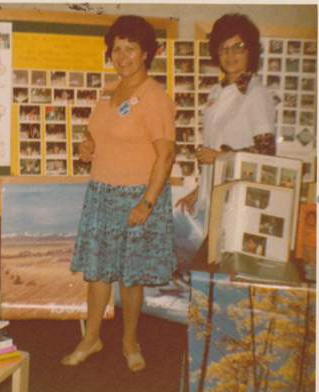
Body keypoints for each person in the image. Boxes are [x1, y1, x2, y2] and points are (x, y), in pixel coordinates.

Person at [61, 15, 177, 372]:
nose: (123, 55)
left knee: (130, 275)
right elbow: (99, 131)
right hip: (101, 193)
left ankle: (129, 341)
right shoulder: (110, 90)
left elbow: (166, 154)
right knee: (97, 273)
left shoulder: (156, 97)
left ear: (146, 53)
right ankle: (91, 338)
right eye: (117, 49)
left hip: (136, 198)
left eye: (131, 48)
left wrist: (147, 202)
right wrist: (88, 143)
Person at [176, 14, 276, 244]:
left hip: (243, 198)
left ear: (250, 50)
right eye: (224, 48)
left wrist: (220, 157)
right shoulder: (217, 91)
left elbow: (266, 153)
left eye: (238, 47)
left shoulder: (256, 94)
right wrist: (199, 190)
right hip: (218, 195)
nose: (230, 55)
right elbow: (213, 148)